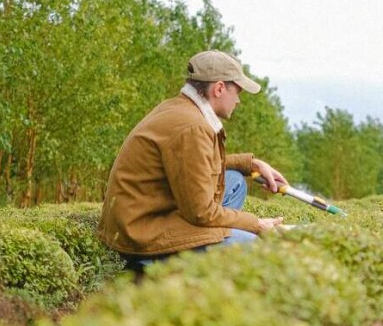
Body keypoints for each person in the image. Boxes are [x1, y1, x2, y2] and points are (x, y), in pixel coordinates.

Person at [99, 50, 288, 272]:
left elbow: (194, 163)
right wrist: (255, 224)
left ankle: (203, 241)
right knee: (251, 244)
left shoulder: (180, 108)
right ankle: (153, 262)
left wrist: (251, 164)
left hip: (145, 214)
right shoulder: (192, 127)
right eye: (237, 91)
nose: (238, 100)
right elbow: (201, 212)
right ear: (218, 88)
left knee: (235, 182)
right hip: (139, 233)